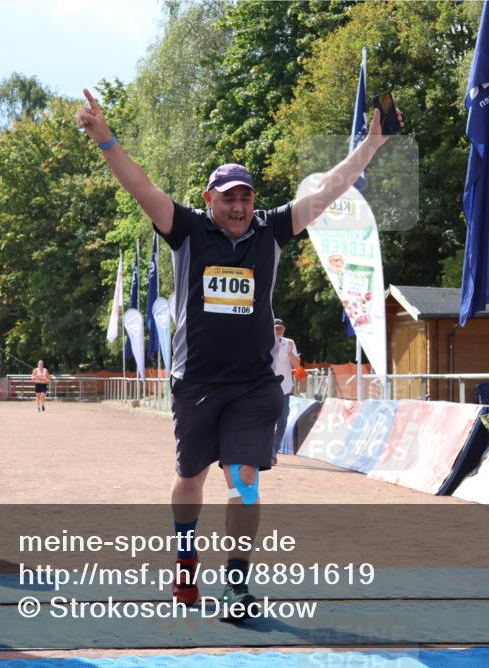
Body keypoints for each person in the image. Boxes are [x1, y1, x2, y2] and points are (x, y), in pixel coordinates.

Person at [77, 86, 401, 621]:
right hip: (197, 383)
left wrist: (373, 143)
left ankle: (236, 584)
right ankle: (185, 558)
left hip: (254, 386)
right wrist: (105, 137)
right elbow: (140, 187)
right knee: (189, 480)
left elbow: (329, 188)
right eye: (228, 197)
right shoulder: (186, 230)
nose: (238, 206)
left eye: (245, 197)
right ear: (210, 200)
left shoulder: (271, 229)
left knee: (243, 483)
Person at [271, 318, 301, 463]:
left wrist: (290, 353)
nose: (278, 331)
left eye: (280, 328)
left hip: (284, 388)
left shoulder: (290, 343)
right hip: (267, 387)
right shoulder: (264, 341)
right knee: (268, 421)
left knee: (282, 421)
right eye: (276, 328)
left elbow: (297, 365)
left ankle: (273, 452)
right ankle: (264, 450)